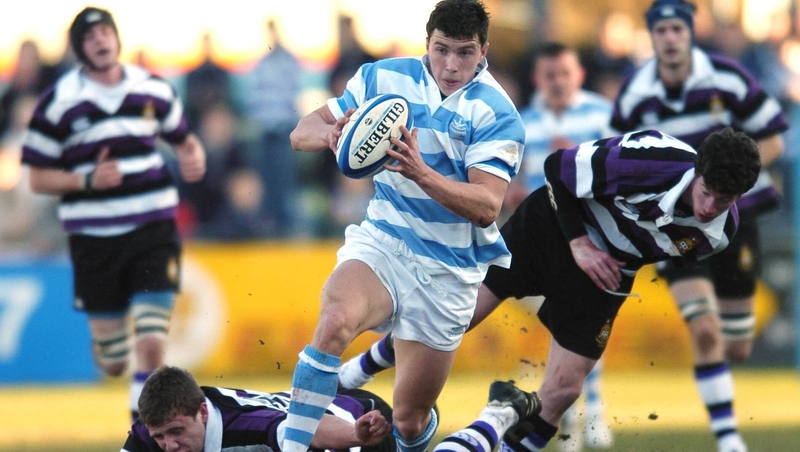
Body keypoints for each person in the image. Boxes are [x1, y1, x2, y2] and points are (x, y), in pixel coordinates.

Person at [336, 128, 762, 452]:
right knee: (452, 321)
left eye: (724, 201)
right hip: (551, 229)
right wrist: (580, 244)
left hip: (605, 273)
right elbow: (558, 167)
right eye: (707, 193)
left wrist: (605, 267)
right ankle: (357, 372)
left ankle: (503, 423)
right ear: (696, 171)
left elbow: (656, 249)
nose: (709, 208)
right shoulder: (649, 160)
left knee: (563, 391)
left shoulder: (717, 234)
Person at [285, 1, 524, 451]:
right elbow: (302, 132)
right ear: (427, 43)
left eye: (465, 53)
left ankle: (441, 419)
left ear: (483, 51)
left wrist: (422, 173)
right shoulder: (381, 78)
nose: (451, 65)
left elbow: (487, 206)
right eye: (442, 49)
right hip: (386, 240)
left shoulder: (497, 113)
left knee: (409, 422)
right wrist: (332, 135)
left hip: (448, 270)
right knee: (335, 321)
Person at [609, 2, 788, 450]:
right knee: (704, 330)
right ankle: (728, 438)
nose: (670, 38)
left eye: (677, 29)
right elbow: (616, 153)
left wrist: (731, 181)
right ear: (652, 36)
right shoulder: (635, 92)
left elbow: (773, 139)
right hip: (672, 226)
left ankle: (719, 386)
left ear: (690, 33)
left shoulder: (727, 78)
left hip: (735, 220)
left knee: (737, 344)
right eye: (662, 30)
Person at [20, 6, 206, 421]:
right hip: (95, 240)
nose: (100, 40)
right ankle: (109, 348)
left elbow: (184, 139)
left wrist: (193, 156)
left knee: (152, 343)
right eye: (90, 37)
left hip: (152, 228)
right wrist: (88, 180)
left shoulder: (152, 89)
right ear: (78, 49)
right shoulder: (58, 103)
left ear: (117, 38)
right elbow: (37, 177)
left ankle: (143, 427)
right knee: (114, 361)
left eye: (105, 32)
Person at [122, 366, 541, 452]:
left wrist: (357, 435)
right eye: (160, 437)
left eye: (176, 433)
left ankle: (499, 413)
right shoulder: (150, 431)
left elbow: (306, 430)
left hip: (356, 424)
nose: (168, 445)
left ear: (202, 412)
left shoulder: (249, 428)